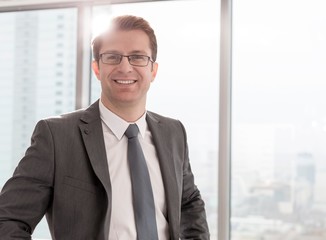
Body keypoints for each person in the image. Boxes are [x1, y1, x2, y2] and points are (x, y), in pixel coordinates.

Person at [0, 15, 209, 239]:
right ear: (97, 68)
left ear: (153, 71)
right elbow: (8, 220)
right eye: (112, 57)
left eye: (137, 57)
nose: (125, 67)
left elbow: (188, 203)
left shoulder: (173, 132)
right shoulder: (56, 136)